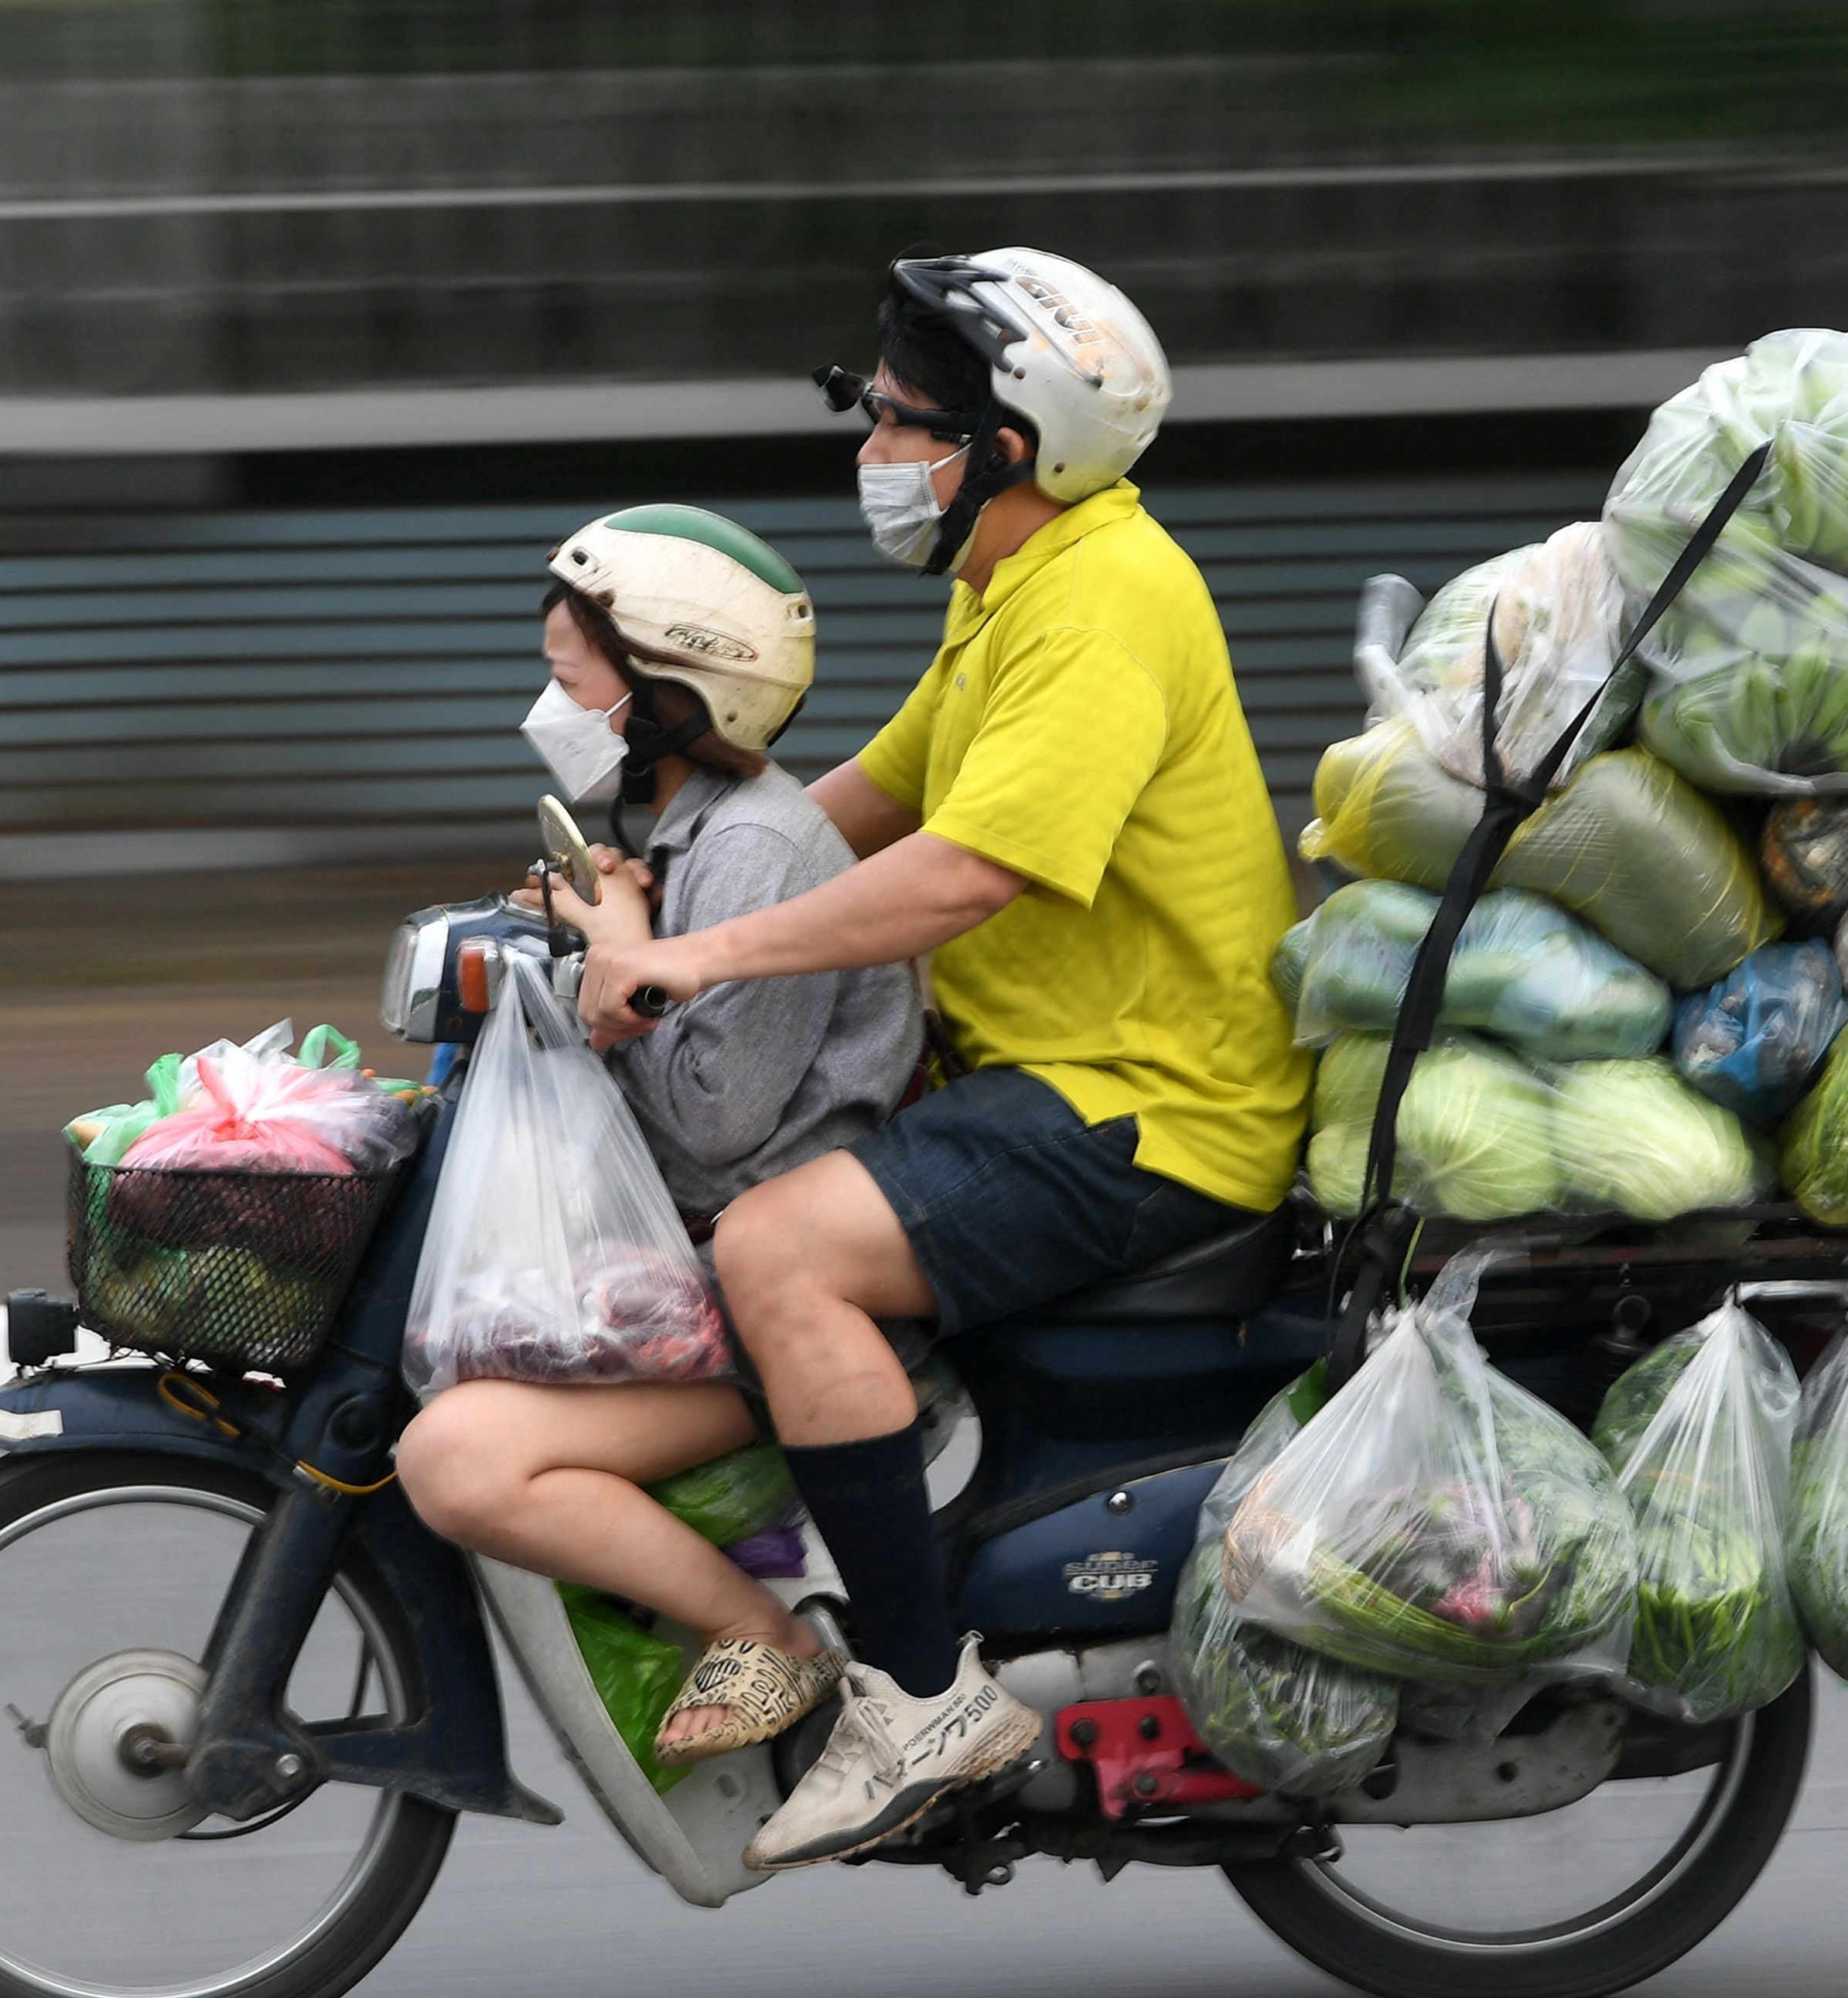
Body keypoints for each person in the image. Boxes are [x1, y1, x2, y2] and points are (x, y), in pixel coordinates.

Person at [579, 251, 1310, 1869]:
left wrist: (694, 957)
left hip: (1147, 1110)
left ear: (1005, 447)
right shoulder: (1013, 596)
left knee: (779, 1252)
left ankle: (912, 1699)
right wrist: (628, 898)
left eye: (903, 422)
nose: (874, 452)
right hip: (1044, 1079)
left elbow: (962, 870)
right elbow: (859, 804)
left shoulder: (1105, 600)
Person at [394, 504, 923, 1769]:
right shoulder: (682, 835)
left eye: (572, 680)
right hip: (697, 1269)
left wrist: (614, 954)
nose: (550, 706)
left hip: (764, 1301)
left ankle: (778, 1645)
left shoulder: (752, 850)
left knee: (458, 1461)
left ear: (674, 692)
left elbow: (716, 1125)